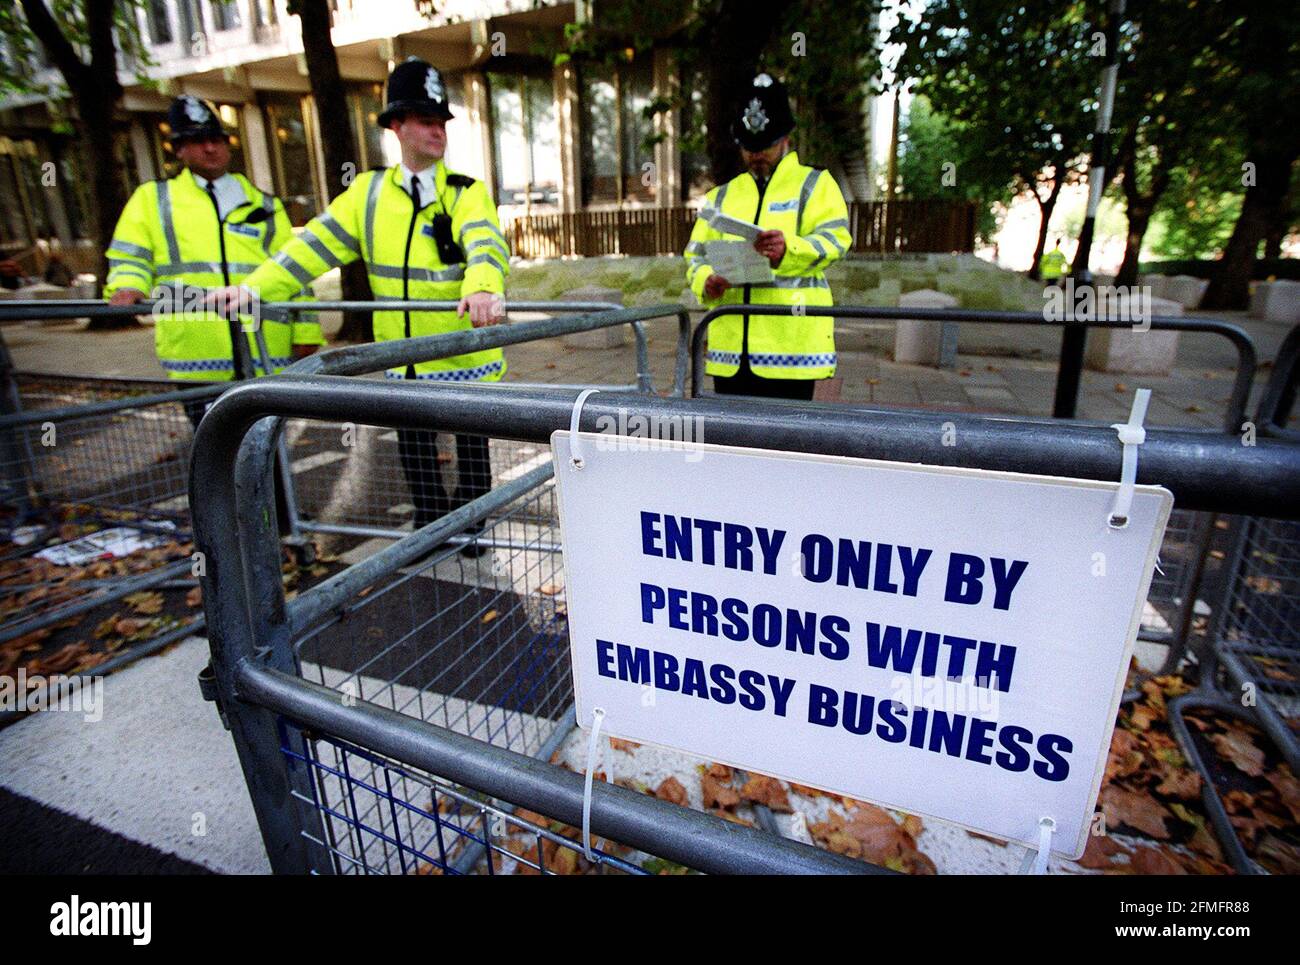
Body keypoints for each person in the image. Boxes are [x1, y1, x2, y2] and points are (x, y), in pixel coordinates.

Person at [213, 59, 509, 557]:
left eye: (441, 122)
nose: (437, 131)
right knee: (413, 448)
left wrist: (482, 286)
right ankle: (431, 523)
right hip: (403, 353)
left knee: (472, 446)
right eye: (425, 120)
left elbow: (485, 245)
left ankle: (472, 522)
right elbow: (312, 247)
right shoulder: (367, 194)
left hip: (461, 352)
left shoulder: (466, 193)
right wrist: (255, 288)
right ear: (397, 126)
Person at [103, 94, 322, 427]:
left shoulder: (262, 203)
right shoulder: (153, 199)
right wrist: (127, 286)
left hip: (263, 348)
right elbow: (130, 256)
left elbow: (294, 271)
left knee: (267, 457)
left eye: (216, 140)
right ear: (178, 149)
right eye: (197, 141)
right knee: (216, 457)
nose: (210, 148)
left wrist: (306, 329)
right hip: (196, 353)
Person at [684, 74, 852, 401]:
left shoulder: (815, 184)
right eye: (749, 147)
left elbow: (836, 242)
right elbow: (694, 255)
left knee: (782, 448)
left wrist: (789, 249)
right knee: (731, 446)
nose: (757, 154)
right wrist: (706, 280)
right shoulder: (720, 196)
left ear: (786, 138)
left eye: (766, 146)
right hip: (729, 352)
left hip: (791, 349)